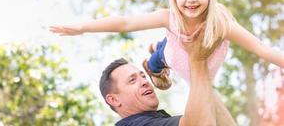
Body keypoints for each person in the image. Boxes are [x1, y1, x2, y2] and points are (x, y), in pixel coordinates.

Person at [50, 0, 284, 90]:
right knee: (160, 58)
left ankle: (159, 48)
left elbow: (261, 48)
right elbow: (126, 22)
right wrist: (82, 28)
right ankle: (156, 56)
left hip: (201, 66)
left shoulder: (221, 23)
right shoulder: (168, 17)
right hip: (173, 55)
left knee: (171, 51)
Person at [99, 30, 236, 125]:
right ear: (114, 99)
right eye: (132, 80)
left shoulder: (153, 120)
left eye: (143, 76)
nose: (144, 82)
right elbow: (201, 123)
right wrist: (195, 59)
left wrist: (192, 69)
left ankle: (160, 55)